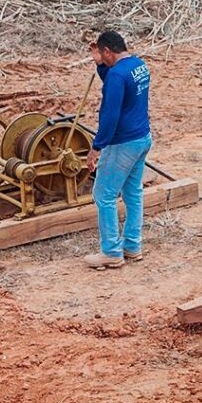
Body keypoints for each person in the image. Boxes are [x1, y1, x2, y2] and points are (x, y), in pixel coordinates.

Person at [83, 31, 153, 270]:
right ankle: (132, 246)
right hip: (142, 138)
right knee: (133, 193)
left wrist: (96, 147)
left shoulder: (116, 75)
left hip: (123, 143)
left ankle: (111, 252)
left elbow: (110, 115)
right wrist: (100, 65)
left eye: (102, 55)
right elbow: (118, 85)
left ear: (107, 51)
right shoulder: (138, 65)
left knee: (103, 195)